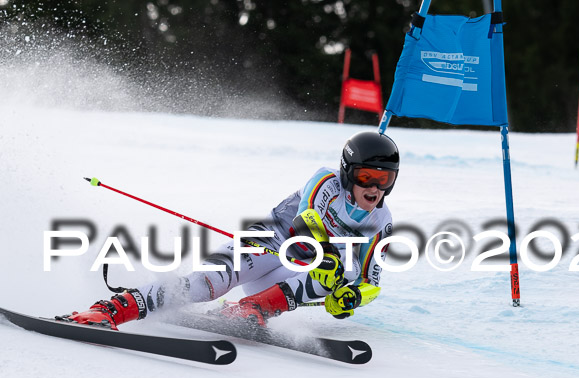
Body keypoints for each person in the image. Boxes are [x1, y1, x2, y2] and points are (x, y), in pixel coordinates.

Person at [59, 131, 399, 330]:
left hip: (289, 276)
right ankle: (113, 309)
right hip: (267, 243)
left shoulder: (381, 222)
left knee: (336, 277)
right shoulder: (326, 180)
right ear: (347, 172)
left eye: (385, 179)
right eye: (367, 177)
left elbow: (371, 283)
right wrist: (325, 257)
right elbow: (304, 222)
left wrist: (350, 297)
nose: (375, 188)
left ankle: (252, 308)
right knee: (210, 284)